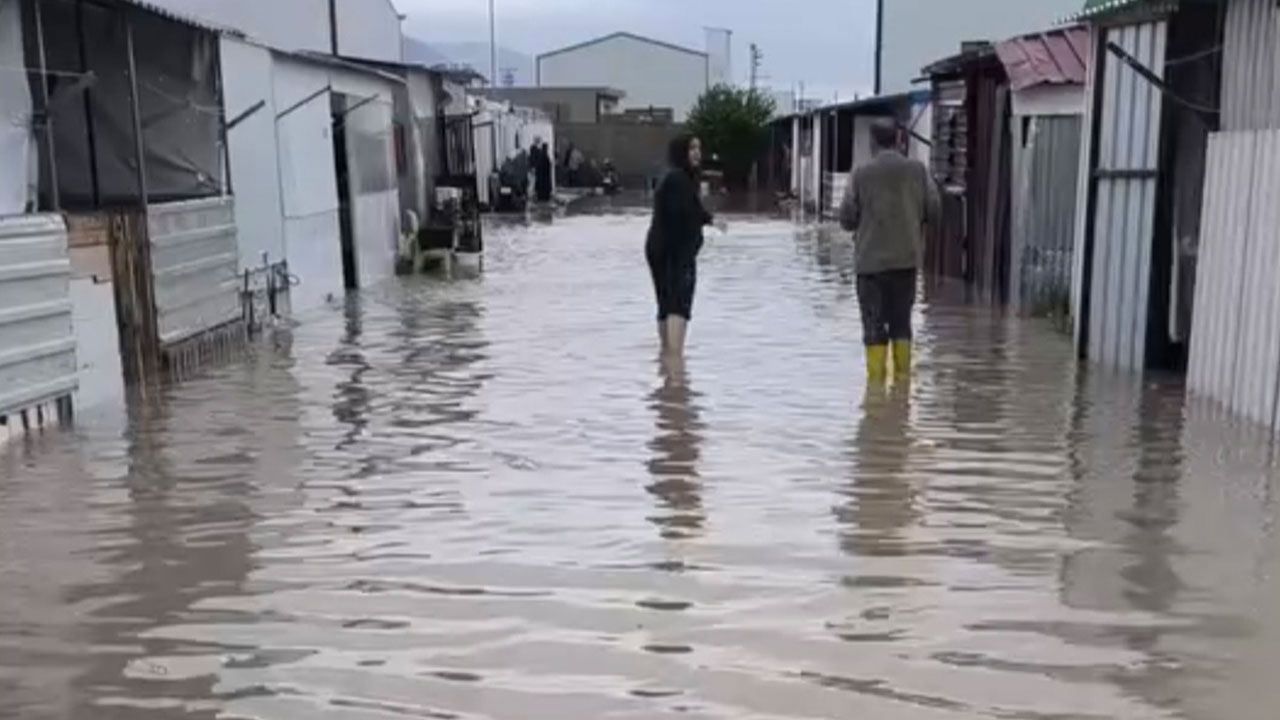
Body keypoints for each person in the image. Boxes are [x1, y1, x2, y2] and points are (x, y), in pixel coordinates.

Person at [839, 119, 940, 384]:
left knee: (873, 326)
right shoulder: (918, 171)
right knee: (901, 325)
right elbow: (934, 211)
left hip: (869, 265)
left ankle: (875, 391)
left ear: (872, 142)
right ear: (899, 139)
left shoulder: (860, 174)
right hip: (905, 262)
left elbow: (846, 219)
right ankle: (902, 386)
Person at [646, 135, 722, 360]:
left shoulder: (673, 176)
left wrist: (710, 220)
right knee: (679, 304)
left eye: (699, 148)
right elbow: (685, 211)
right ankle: (676, 363)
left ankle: (666, 358)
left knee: (665, 303)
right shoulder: (679, 179)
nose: (697, 152)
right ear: (681, 152)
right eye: (691, 148)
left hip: (659, 247)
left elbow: (691, 208)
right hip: (675, 250)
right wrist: (706, 221)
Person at [531, 138, 553, 203]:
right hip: (544, 178)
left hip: (542, 178)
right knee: (544, 189)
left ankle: (542, 196)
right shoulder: (544, 156)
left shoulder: (542, 155)